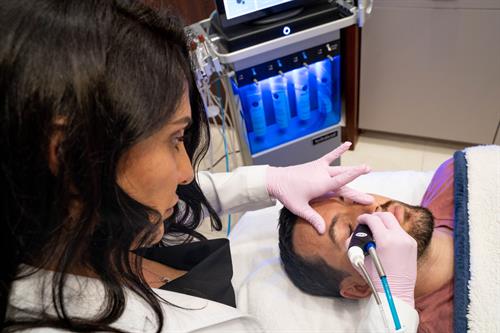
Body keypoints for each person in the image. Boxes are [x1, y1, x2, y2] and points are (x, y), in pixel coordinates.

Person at [0, 0, 419, 332]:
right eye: (175, 139)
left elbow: (181, 196)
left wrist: (270, 179)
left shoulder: (78, 220)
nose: (186, 173)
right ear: (71, 156)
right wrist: (396, 306)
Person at [279, 158, 455, 333]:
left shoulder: (454, 176)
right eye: (349, 230)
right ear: (358, 288)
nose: (371, 208)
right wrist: (395, 295)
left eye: (351, 200)